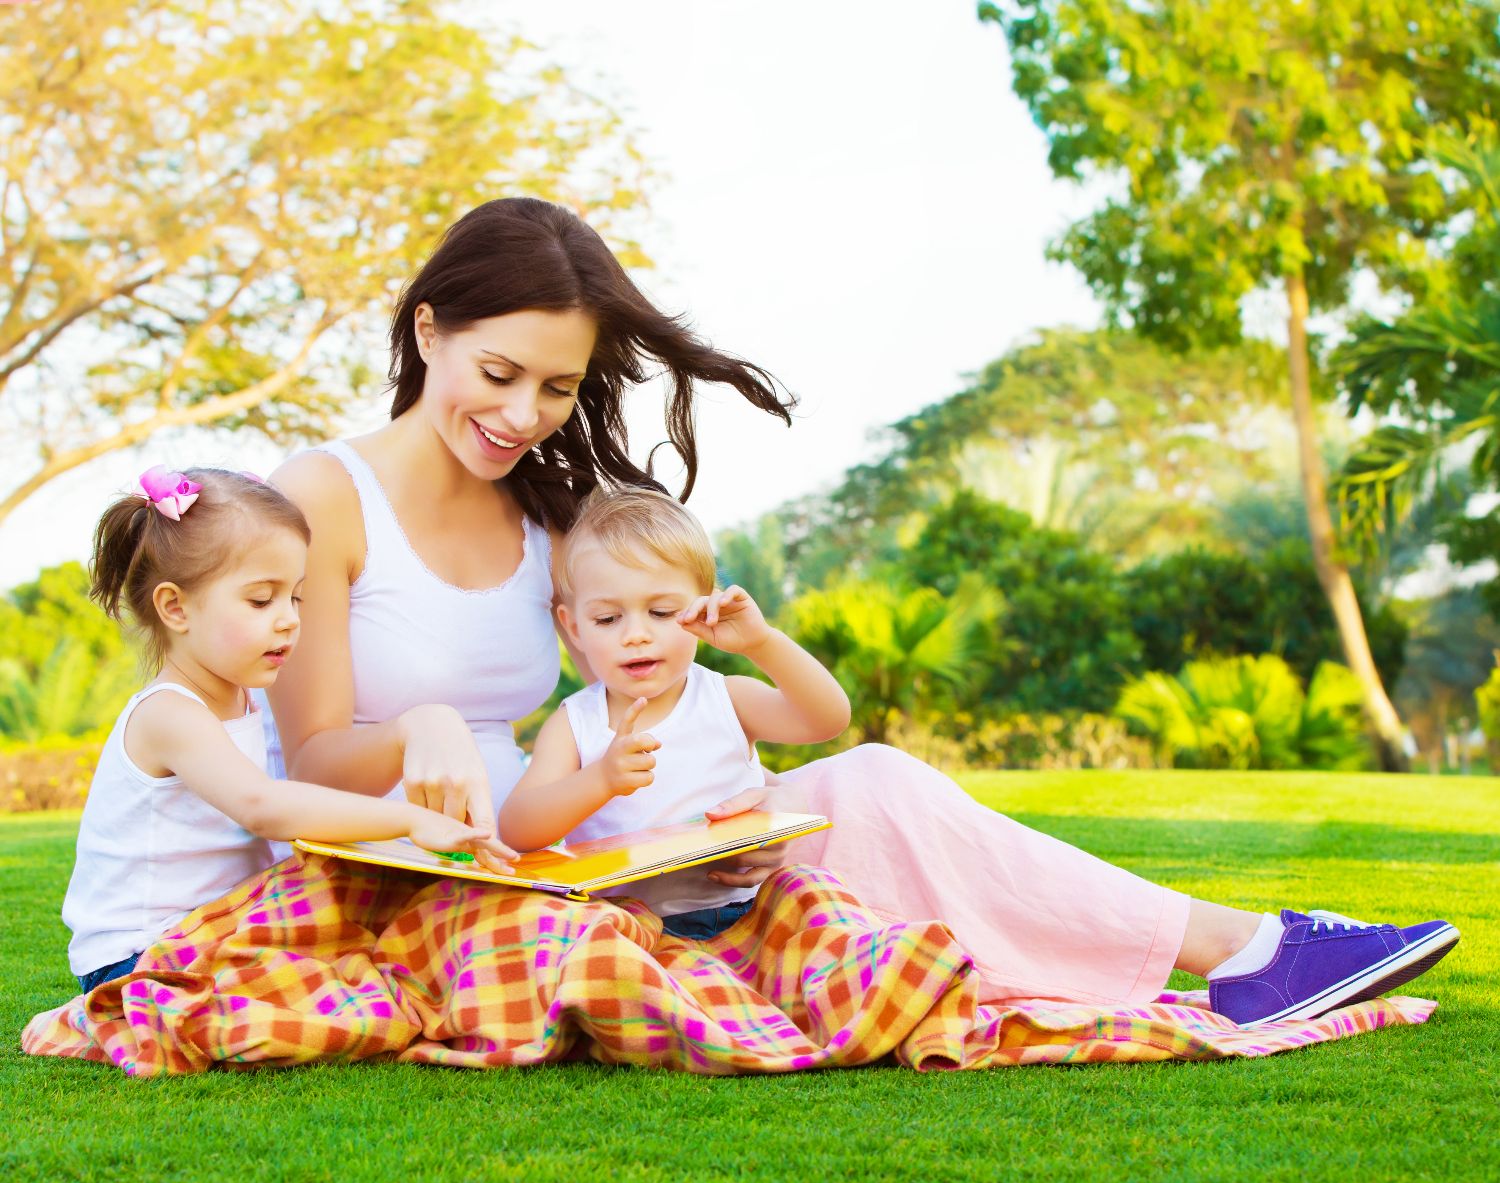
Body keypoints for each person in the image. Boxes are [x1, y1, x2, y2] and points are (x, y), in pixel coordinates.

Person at [268, 196, 1458, 1029]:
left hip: (587, 840)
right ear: (430, 329)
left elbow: (654, 658)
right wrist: (424, 728)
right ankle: (1238, 953)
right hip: (430, 858)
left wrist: (698, 727)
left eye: (558, 386)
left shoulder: (547, 517)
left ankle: (1243, 952)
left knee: (875, 781)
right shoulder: (325, 495)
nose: (525, 413)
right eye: (499, 373)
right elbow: (313, 747)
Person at [62, 466, 514, 994]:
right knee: (345, 982)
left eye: (295, 597)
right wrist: (407, 820)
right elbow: (263, 806)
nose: (289, 619)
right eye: (261, 600)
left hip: (217, 929)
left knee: (369, 932)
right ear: (176, 607)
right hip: (139, 957)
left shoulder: (242, 695)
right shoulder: (170, 714)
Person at [499, 487, 850, 939]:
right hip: (631, 929)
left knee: (827, 913)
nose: (636, 635)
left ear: (705, 606)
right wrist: (601, 779)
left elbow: (827, 719)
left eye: (661, 612)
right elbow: (518, 828)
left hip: (748, 912)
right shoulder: (575, 724)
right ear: (575, 627)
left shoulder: (728, 698)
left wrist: (763, 643)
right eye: (608, 619)